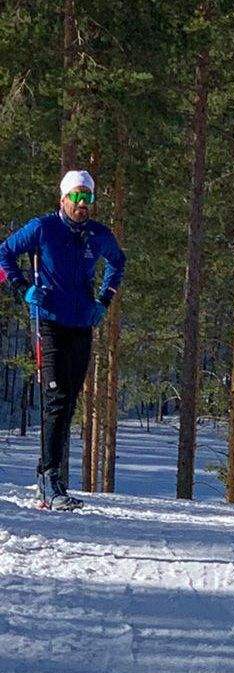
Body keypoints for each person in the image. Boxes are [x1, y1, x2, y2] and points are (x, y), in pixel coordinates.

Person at [0, 170, 126, 510]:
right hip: (49, 323)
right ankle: (48, 482)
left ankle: (56, 480)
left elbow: (118, 261)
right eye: (77, 197)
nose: (82, 204)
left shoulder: (97, 235)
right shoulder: (43, 228)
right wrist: (21, 288)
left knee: (69, 401)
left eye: (88, 198)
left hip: (81, 324)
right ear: (63, 199)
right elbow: (3, 254)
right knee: (54, 399)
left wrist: (104, 299)